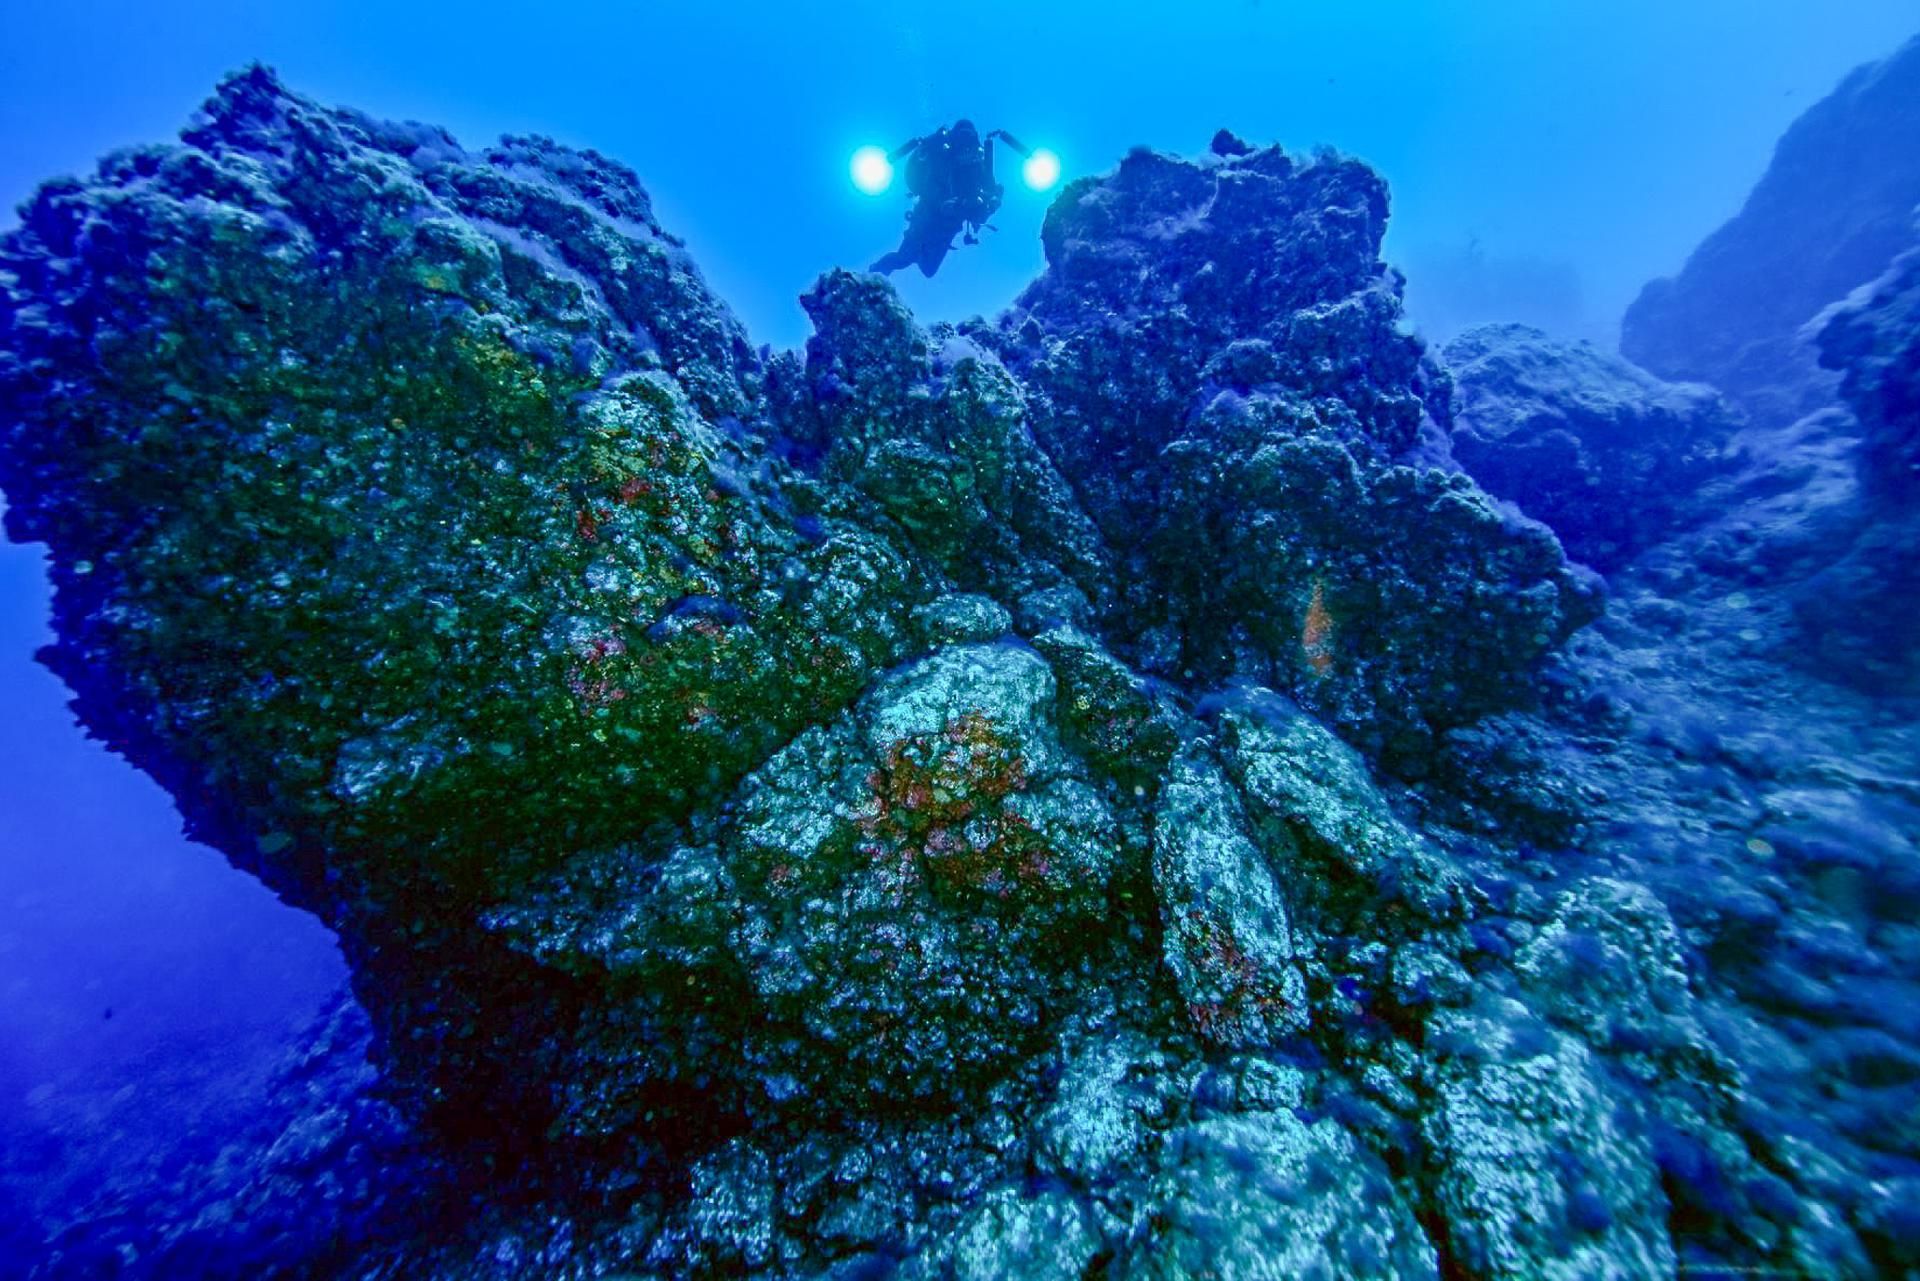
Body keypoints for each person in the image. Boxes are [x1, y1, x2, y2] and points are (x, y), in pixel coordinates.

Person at [870, 121, 1032, 277]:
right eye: (962, 138)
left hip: (950, 225)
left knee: (928, 270)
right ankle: (874, 273)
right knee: (904, 258)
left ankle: (912, 256)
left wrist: (989, 205)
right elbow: (927, 187)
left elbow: (989, 193)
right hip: (926, 216)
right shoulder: (940, 158)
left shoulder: (979, 165)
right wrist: (942, 203)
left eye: (969, 140)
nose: (965, 148)